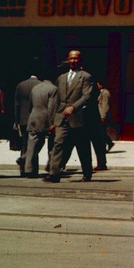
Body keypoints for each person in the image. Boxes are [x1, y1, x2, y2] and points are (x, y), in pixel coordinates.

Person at [44, 49, 95, 183]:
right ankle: (54, 174)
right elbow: (56, 100)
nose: (73, 61)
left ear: (80, 60)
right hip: (62, 118)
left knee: (82, 147)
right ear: (68, 60)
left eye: (76, 58)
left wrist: (73, 107)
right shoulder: (61, 78)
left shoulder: (86, 76)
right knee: (58, 144)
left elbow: (86, 96)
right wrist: (53, 120)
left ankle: (87, 173)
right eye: (71, 58)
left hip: (78, 118)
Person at [24, 69, 57, 178]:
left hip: (33, 117)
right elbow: (52, 107)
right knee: (52, 144)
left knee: (32, 144)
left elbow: (30, 105)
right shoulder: (53, 89)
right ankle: (51, 167)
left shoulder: (35, 88)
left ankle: (29, 169)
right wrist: (53, 122)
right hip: (46, 119)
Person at [13, 63, 40, 177]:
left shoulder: (20, 85)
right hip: (36, 119)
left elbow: (17, 104)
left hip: (23, 119)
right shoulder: (40, 85)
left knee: (24, 145)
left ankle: (23, 170)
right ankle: (33, 170)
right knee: (34, 144)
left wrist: (16, 120)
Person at [85, 81, 109, 173]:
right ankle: (101, 163)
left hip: (94, 118)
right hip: (93, 118)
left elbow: (105, 105)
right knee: (97, 143)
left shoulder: (99, 91)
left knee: (97, 142)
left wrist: (103, 116)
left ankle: (101, 163)